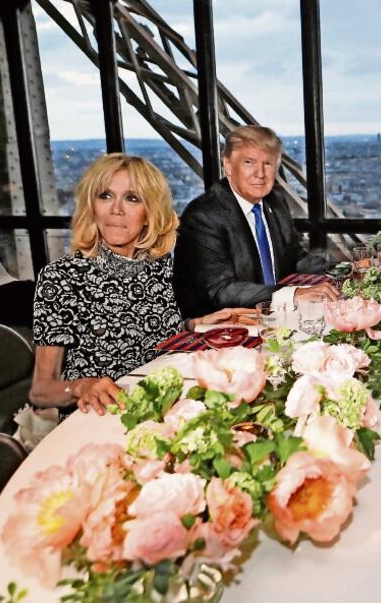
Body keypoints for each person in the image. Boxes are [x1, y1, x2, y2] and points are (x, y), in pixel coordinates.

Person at [29, 154, 242, 417]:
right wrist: (81, 387)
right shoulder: (60, 278)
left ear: (149, 212)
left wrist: (196, 325)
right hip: (100, 416)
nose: (116, 209)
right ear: (91, 206)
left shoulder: (158, 264)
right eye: (105, 196)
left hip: (162, 406)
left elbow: (152, 335)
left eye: (132, 198)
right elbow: (40, 390)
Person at [173, 125, 337, 318]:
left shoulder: (275, 201)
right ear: (228, 166)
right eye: (249, 162)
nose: (260, 173)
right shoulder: (203, 216)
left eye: (268, 164)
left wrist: (346, 269)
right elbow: (222, 291)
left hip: (274, 317)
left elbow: (296, 258)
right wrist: (292, 295)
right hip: (224, 329)